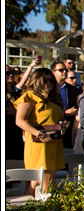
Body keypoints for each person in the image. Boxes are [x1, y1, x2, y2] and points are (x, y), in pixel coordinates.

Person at [14, 67, 66, 198]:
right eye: (45, 80)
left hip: (53, 143)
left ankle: (24, 210)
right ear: (37, 81)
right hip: (39, 144)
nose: (49, 83)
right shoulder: (30, 97)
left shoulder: (52, 99)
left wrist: (63, 126)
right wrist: (40, 134)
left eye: (51, 80)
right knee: (48, 186)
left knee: (37, 183)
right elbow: (19, 121)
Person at [51, 60, 79, 149]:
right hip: (53, 126)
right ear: (53, 72)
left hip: (69, 127)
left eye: (65, 70)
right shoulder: (49, 89)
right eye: (61, 70)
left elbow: (75, 106)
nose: (64, 72)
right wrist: (64, 113)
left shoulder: (72, 89)